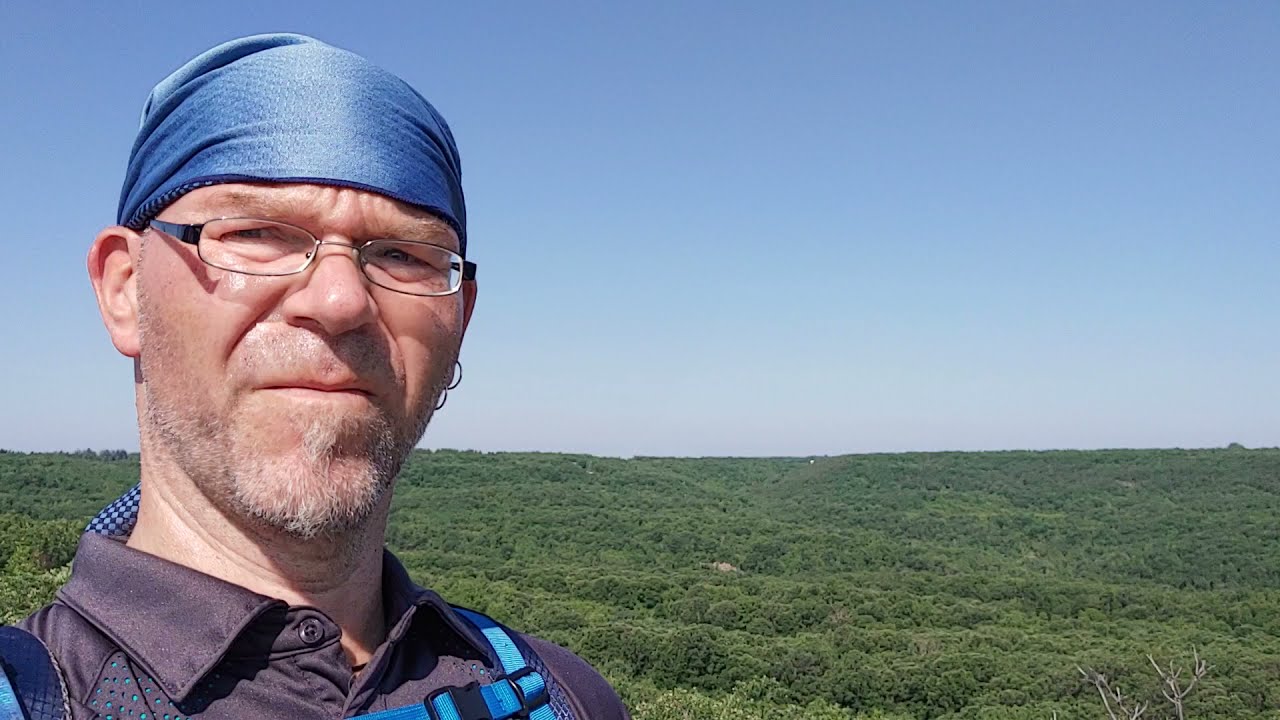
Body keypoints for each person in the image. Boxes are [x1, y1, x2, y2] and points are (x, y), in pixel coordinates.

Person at [15, 34, 629, 720]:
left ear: (459, 318)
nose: (340, 301)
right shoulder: (34, 697)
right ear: (125, 290)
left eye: (403, 254)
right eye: (255, 233)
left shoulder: (561, 696)